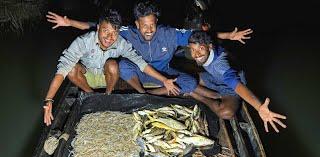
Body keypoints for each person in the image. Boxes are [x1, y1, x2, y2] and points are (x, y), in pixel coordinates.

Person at [45, 1, 252, 113]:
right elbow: (96, 27)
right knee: (124, 66)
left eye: (152, 24)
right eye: (144, 25)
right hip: (138, 73)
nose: (149, 29)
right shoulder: (127, 32)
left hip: (162, 73)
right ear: (137, 24)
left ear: (157, 22)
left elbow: (199, 37)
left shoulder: (169, 33)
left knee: (189, 82)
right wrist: (70, 22)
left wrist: (228, 36)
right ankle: (142, 93)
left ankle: (152, 95)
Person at [43, 9, 179, 126]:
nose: (109, 37)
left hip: (106, 75)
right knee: (71, 69)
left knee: (113, 65)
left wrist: (164, 80)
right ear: (98, 28)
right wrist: (49, 99)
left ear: (118, 32)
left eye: (114, 32)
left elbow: (141, 64)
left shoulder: (121, 43)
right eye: (105, 31)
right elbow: (62, 70)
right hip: (87, 74)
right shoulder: (83, 42)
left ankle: (107, 96)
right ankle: (90, 95)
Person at [188, 30, 287, 132]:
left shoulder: (220, 66)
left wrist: (259, 107)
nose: (196, 54)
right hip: (215, 77)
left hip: (231, 86)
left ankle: (204, 97)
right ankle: (216, 95)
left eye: (201, 49)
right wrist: (228, 35)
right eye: (192, 50)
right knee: (186, 79)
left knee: (226, 112)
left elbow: (237, 86)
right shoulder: (208, 40)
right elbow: (212, 34)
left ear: (209, 47)